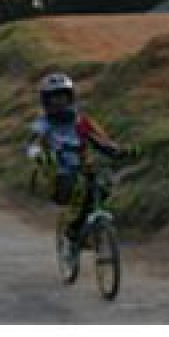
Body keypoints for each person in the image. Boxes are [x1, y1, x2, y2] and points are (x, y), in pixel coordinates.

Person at [25, 72, 139, 244]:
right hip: (58, 173)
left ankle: (85, 227)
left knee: (102, 188)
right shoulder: (42, 124)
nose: (59, 103)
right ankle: (74, 228)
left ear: (71, 98)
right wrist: (38, 155)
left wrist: (121, 151)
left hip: (83, 167)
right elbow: (32, 143)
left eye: (63, 98)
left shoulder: (81, 122)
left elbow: (101, 141)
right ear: (46, 101)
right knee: (74, 187)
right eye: (54, 99)